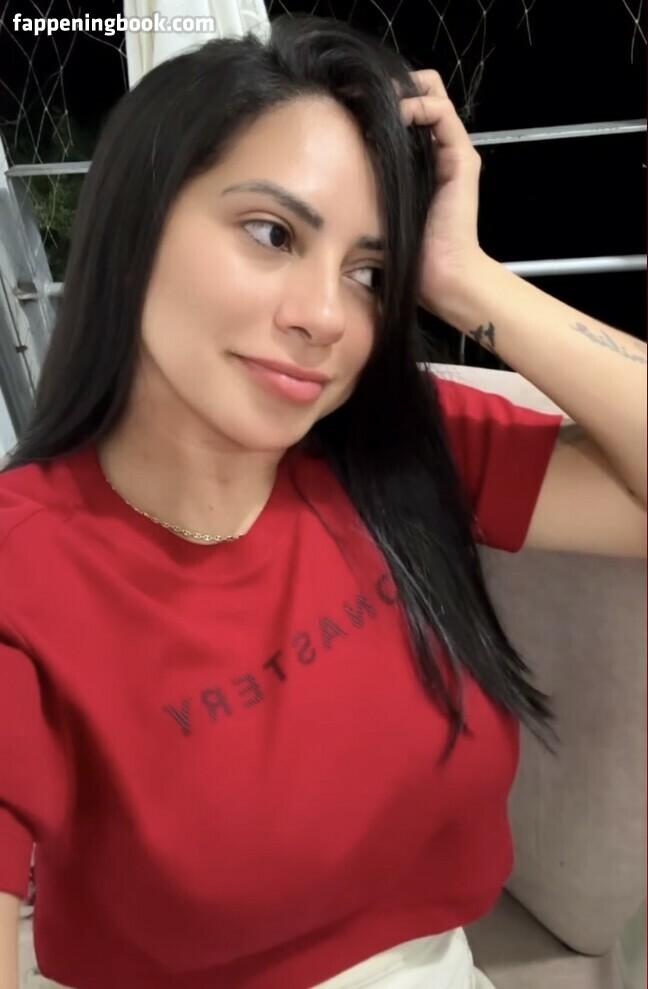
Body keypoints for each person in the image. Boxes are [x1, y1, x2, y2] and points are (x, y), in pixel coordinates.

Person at [0, 13, 645, 989]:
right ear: (136, 227)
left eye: (368, 273)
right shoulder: (27, 566)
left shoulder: (398, 446)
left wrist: (463, 278)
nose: (325, 316)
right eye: (272, 233)